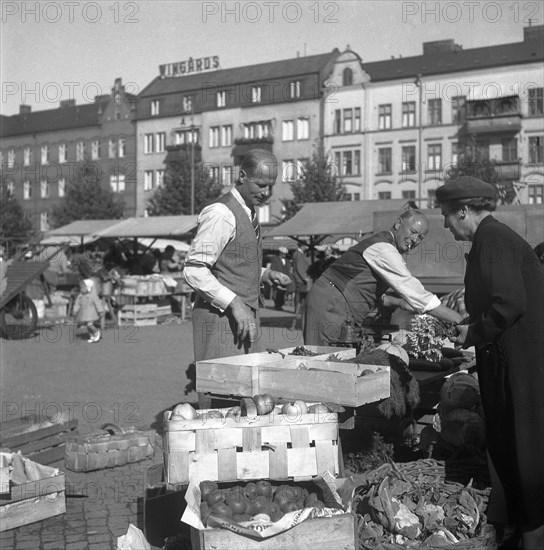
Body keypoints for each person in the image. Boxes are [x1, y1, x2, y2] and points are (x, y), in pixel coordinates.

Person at [436, 176, 544, 550]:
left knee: (525, 448)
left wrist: (470, 333)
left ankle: (533, 534)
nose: (445, 225)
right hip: (513, 359)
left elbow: (510, 303)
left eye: (447, 216)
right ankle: (520, 529)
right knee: (516, 445)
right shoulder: (491, 238)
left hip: (521, 364)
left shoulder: (492, 239)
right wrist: (473, 325)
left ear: (463, 210)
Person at [183, 149, 291, 407]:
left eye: (271, 187)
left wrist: (264, 274)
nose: (266, 193)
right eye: (261, 185)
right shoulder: (221, 213)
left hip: (240, 317)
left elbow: (229, 261)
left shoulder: (249, 212)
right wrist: (234, 303)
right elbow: (194, 269)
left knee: (245, 395)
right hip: (219, 318)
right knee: (223, 395)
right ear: (242, 176)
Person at [304, 208, 462, 345]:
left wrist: (399, 302)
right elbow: (419, 296)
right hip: (330, 305)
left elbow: (366, 290)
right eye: (413, 232)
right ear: (398, 223)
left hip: (336, 304)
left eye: (420, 237)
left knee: (336, 360)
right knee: (323, 361)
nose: (415, 240)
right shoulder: (384, 250)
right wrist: (460, 321)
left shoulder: (385, 245)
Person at [72, 279, 105, 343]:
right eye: (81, 288)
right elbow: (77, 304)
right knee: (87, 325)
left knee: (90, 324)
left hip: (91, 313)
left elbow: (98, 304)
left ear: (88, 288)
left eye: (83, 288)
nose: (81, 289)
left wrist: (101, 311)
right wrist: (75, 310)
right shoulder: (80, 296)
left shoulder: (93, 296)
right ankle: (92, 336)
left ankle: (96, 332)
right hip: (84, 313)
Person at [290, 243, 311, 328]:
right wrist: (305, 278)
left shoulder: (297, 253)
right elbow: (299, 268)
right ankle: (300, 323)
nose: (306, 247)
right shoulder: (298, 254)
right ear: (302, 245)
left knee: (300, 303)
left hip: (299, 280)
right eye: (305, 245)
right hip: (301, 281)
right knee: (301, 302)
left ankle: (296, 323)